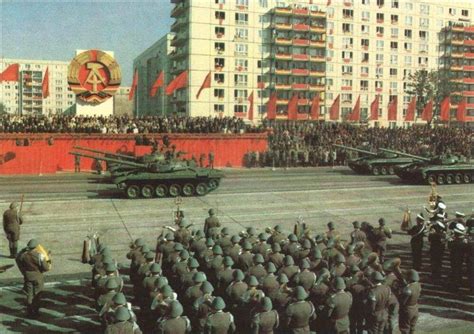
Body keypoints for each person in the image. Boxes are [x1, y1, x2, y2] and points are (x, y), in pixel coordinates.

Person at [16, 239, 51, 317]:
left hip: (27, 276)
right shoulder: (39, 256)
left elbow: (17, 258)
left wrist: (22, 250)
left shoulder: (23, 255)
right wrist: (48, 259)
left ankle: (29, 311)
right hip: (38, 276)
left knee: (29, 294)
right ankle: (36, 311)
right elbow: (46, 268)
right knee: (37, 294)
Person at [399, 270, 421, 334]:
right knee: (412, 328)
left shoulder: (408, 289)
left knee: (404, 329)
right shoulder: (418, 285)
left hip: (407, 310)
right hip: (415, 308)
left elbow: (403, 302)